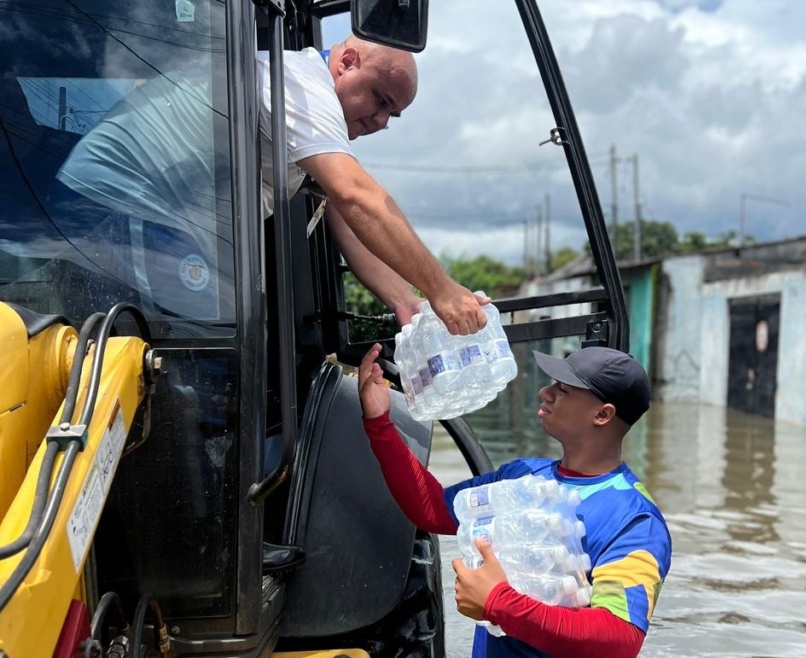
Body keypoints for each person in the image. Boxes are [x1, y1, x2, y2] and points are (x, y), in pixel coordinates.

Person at [55, 35, 485, 334]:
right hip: (114, 207)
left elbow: (348, 217)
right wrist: (443, 289)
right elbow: (356, 195)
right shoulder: (300, 85)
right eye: (381, 100)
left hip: (135, 212)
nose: (382, 122)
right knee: (214, 347)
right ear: (347, 62)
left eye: (393, 115)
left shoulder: (309, 114)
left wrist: (407, 300)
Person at [357, 343, 672, 658]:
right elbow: (434, 510)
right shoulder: (521, 475)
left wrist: (498, 602)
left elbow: (619, 638)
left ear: (602, 415)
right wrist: (380, 422)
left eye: (563, 391)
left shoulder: (635, 520)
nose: (545, 393)